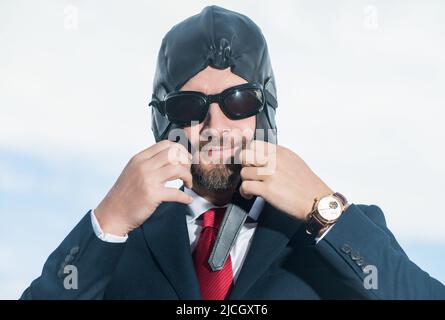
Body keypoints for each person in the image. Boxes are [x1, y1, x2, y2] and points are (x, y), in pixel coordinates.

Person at [21, 5, 445, 300]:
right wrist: (107, 223)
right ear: (162, 120)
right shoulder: (120, 245)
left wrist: (323, 209)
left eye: (238, 101)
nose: (215, 127)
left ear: (265, 109)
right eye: (190, 106)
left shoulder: (334, 232)